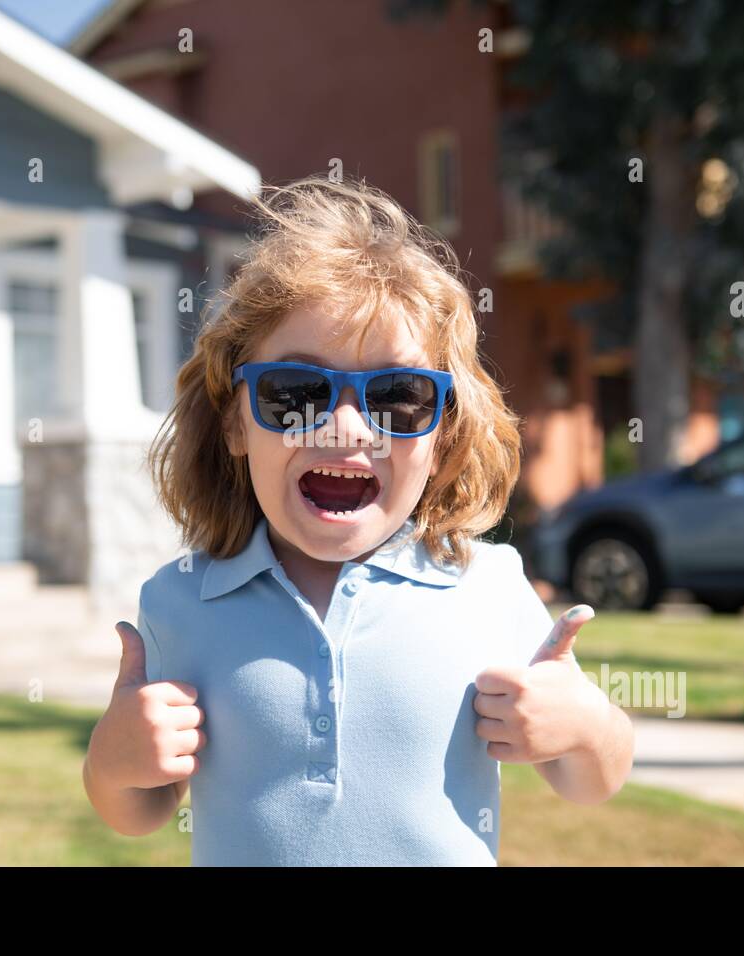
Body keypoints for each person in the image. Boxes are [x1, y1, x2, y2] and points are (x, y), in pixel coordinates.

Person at [82, 175, 633, 865]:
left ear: (443, 438)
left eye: (398, 398)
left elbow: (594, 782)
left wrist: (584, 727)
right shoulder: (182, 599)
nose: (346, 428)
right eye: (295, 393)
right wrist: (113, 761)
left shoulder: (485, 586)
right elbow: (139, 810)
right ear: (234, 423)